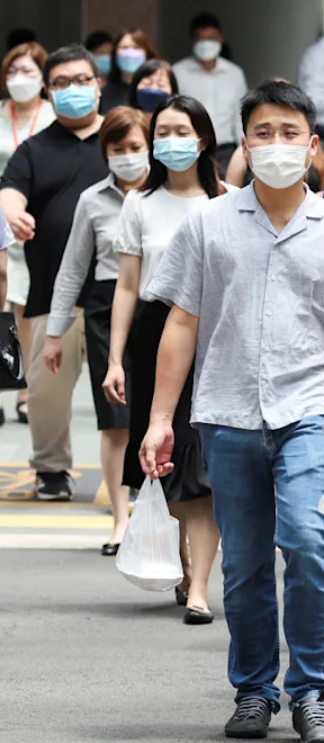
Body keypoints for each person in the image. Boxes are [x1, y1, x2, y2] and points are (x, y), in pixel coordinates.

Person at [137, 81, 324, 742]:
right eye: (264, 132)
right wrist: (161, 418)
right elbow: (182, 322)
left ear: (312, 146)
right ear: (244, 144)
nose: (277, 144)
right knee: (245, 563)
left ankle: (311, 688)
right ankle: (254, 689)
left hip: (309, 411)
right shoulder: (209, 223)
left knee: (308, 543)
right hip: (227, 412)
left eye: (290, 133)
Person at [104, 95, 223, 624]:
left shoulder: (226, 201)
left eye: (181, 131)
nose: (170, 142)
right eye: (163, 133)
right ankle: (183, 566)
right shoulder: (139, 203)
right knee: (163, 461)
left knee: (202, 466)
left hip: (213, 336)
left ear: (203, 139)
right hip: (154, 335)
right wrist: (114, 358)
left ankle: (200, 586)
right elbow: (127, 285)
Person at [0, 44, 108, 499]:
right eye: (61, 83)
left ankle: (136, 471)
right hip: (51, 292)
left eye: (81, 80)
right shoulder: (34, 149)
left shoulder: (122, 139)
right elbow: (9, 191)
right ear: (48, 90)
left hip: (117, 293)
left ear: (98, 85)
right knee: (46, 392)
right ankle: (50, 469)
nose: (72, 89)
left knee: (126, 390)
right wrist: (13, 213)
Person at [45, 106, 148, 553]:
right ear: (105, 152)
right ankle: (120, 521)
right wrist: (54, 333)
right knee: (116, 422)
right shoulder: (92, 199)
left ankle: (167, 516)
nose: (127, 155)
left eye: (136, 146)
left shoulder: (169, 192)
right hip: (106, 309)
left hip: (162, 306)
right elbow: (72, 269)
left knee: (163, 417)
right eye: (117, 148)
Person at [0, 41, 54, 426]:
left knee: (25, 307)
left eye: (28, 72)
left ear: (43, 78)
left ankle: (22, 389)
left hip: (35, 220)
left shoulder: (53, 117)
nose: (19, 79)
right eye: (12, 71)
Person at [173, 14, 248, 169]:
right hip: (191, 148)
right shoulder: (178, 72)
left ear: (220, 39)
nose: (206, 44)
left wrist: (245, 150)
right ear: (192, 41)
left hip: (226, 150)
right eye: (201, 39)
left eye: (211, 38)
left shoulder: (234, 73)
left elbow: (240, 115)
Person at [100, 30, 157, 113]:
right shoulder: (104, 92)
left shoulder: (155, 89)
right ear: (115, 54)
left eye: (136, 47)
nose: (129, 52)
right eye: (124, 47)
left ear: (146, 53)